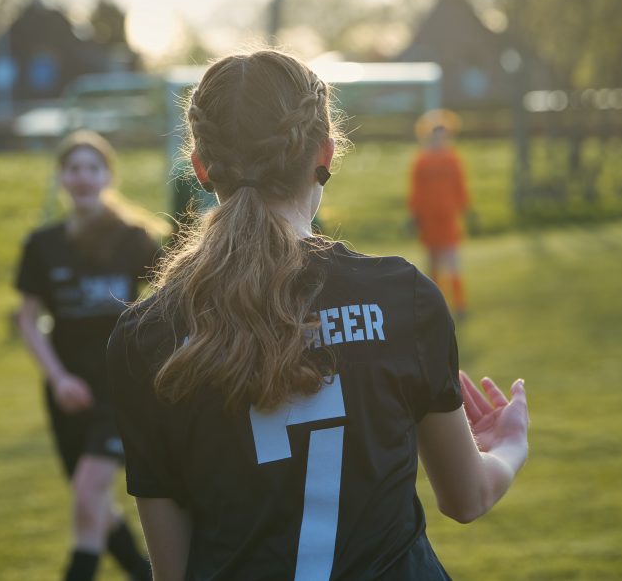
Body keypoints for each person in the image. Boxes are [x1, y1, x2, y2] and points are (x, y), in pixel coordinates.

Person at [106, 50, 529, 581]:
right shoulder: (402, 298)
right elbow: (467, 498)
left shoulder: (147, 334)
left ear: (200, 167)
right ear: (325, 153)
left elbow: (173, 573)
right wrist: (508, 446)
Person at [16, 129, 163, 580]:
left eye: (92, 168)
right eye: (73, 168)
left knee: (87, 492)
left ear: (108, 176)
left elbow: (170, 302)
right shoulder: (42, 245)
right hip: (67, 391)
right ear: (61, 177)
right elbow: (27, 319)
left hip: (121, 388)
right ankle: (142, 573)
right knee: (94, 499)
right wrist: (58, 378)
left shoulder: (134, 238)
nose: (82, 176)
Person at [408, 110, 473, 317]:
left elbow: (460, 187)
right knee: (433, 262)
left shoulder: (453, 159)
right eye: (435, 133)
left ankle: (460, 304)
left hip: (448, 217)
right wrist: (414, 215)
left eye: (442, 133)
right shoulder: (421, 161)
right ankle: (436, 305)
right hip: (429, 218)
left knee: (452, 261)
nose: (439, 138)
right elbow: (416, 192)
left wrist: (466, 209)